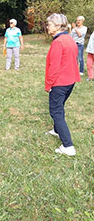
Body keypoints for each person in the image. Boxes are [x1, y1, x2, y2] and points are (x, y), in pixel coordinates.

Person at [45, 13, 80, 156]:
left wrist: (48, 85)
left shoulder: (58, 42)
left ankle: (68, 146)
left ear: (58, 26)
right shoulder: (69, 39)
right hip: (70, 81)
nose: (48, 27)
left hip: (60, 82)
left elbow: (54, 67)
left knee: (56, 111)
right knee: (60, 107)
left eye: (50, 24)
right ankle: (56, 130)